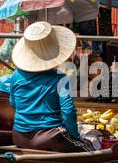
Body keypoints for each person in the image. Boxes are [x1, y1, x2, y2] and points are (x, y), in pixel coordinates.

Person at [9, 21, 92, 153]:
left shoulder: (15, 76)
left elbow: (13, 104)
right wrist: (76, 136)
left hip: (19, 137)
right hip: (50, 136)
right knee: (89, 148)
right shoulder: (60, 78)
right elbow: (68, 112)